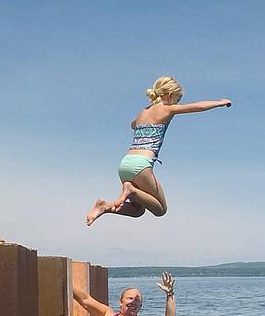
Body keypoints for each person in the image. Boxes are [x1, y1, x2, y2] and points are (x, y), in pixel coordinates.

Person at [86, 76, 231, 226]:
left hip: (125, 164)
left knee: (137, 210)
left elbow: (133, 125)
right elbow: (199, 106)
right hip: (141, 165)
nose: (177, 104)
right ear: (169, 95)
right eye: (177, 99)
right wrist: (220, 103)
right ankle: (130, 189)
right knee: (160, 209)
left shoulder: (144, 111)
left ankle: (105, 207)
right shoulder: (167, 108)